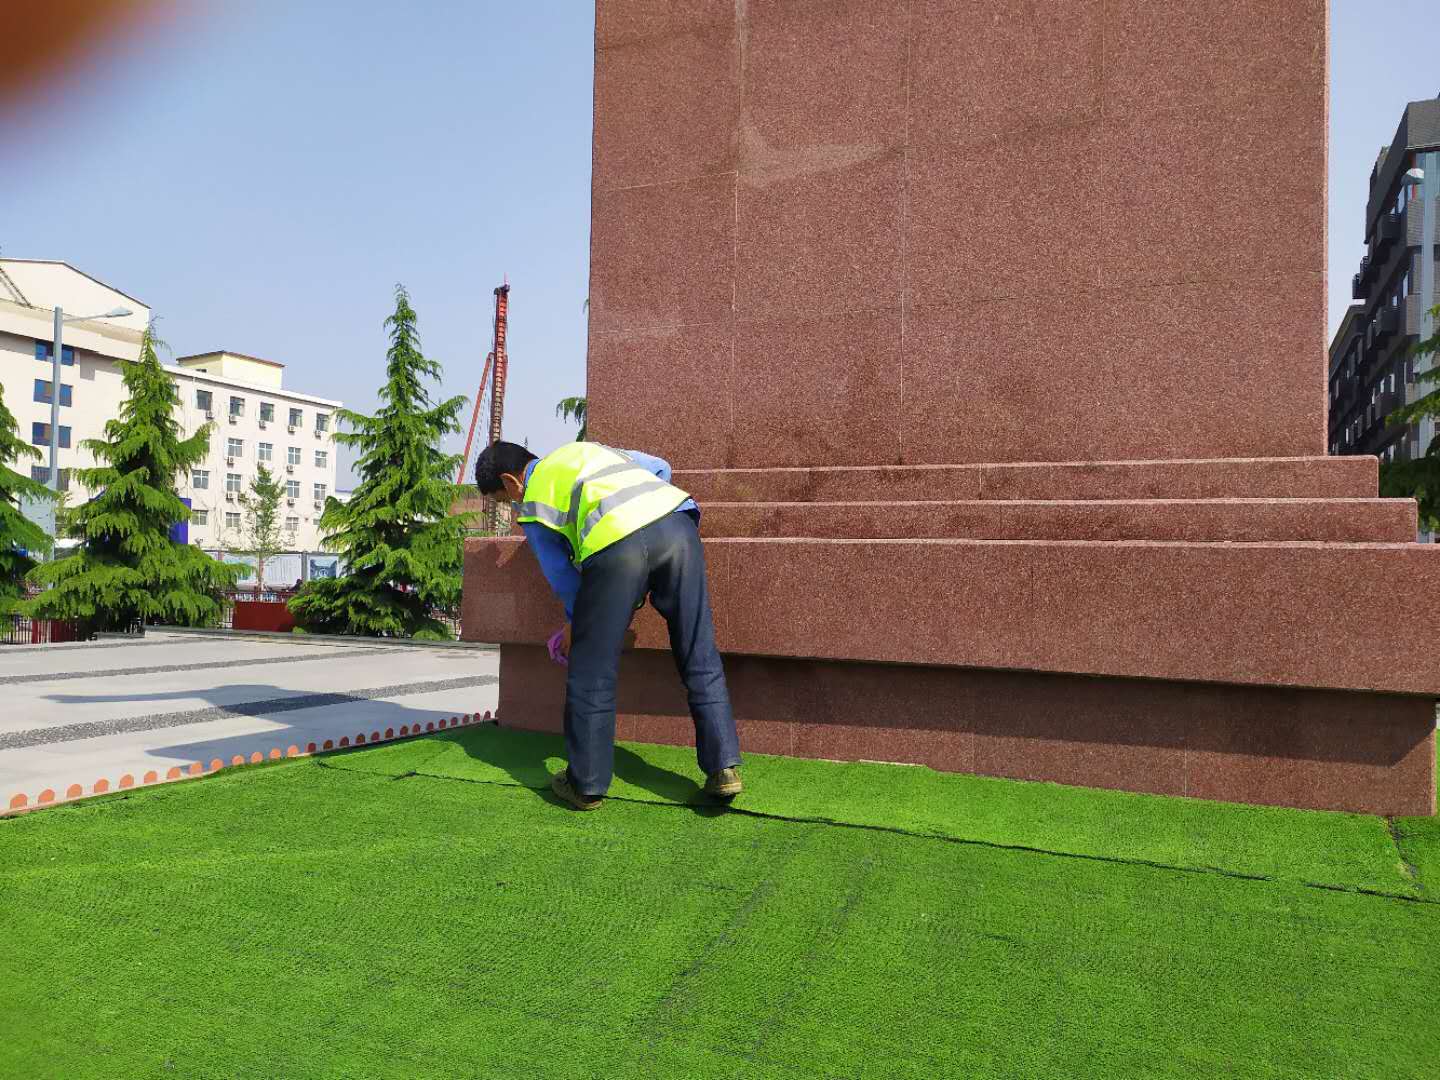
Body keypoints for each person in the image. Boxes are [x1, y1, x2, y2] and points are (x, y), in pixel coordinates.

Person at [473, 440, 742, 811]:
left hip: (617, 546)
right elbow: (661, 466)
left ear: (511, 481)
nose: (512, 506)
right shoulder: (586, 451)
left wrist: (578, 625)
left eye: (505, 499)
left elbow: (564, 579)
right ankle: (724, 767)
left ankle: (584, 784)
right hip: (678, 528)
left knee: (591, 669)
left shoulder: (534, 501)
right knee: (698, 650)